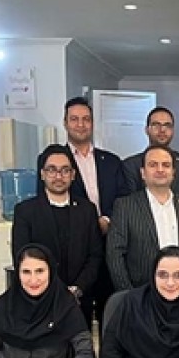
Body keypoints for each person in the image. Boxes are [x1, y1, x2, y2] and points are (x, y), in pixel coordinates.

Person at [13, 144, 103, 326]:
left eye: (65, 170)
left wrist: (77, 289)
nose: (59, 176)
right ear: (42, 174)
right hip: (39, 301)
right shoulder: (25, 211)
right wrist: (53, 291)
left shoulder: (87, 210)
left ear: (73, 175)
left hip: (79, 303)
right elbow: (21, 257)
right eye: (52, 170)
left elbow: (95, 256)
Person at [61, 97, 130, 328]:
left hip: (109, 246)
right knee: (75, 320)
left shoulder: (111, 161)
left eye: (86, 119)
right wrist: (90, 223)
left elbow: (123, 198)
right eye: (74, 119)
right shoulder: (57, 161)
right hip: (74, 253)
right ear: (65, 123)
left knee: (110, 316)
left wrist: (107, 220)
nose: (81, 124)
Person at [108, 146, 179, 290]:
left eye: (166, 165)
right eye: (153, 165)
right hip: (140, 293)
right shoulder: (125, 206)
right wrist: (128, 295)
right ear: (143, 173)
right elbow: (115, 255)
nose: (160, 170)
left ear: (173, 172)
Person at [123, 106, 179, 201]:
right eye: (156, 125)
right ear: (146, 130)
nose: (162, 130)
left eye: (167, 125)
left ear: (172, 130)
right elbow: (129, 204)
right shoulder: (130, 165)